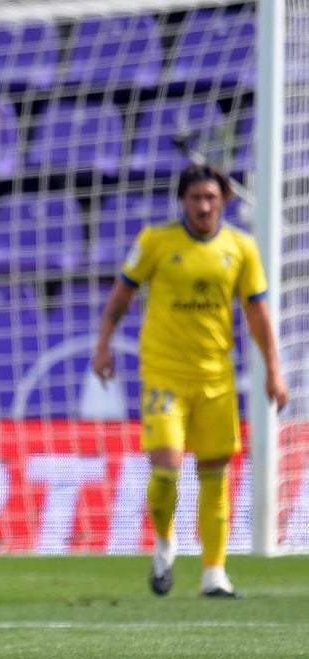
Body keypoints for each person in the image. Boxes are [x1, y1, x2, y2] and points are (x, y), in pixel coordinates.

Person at [92, 164, 288, 598]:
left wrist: (274, 370)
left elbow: (258, 313)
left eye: (211, 198)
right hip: (164, 374)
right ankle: (165, 545)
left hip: (215, 377)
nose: (204, 206)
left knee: (215, 473)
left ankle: (214, 573)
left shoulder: (241, 248)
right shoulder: (155, 242)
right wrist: (103, 344)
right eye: (196, 197)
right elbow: (121, 295)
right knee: (166, 467)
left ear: (223, 202)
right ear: (182, 201)